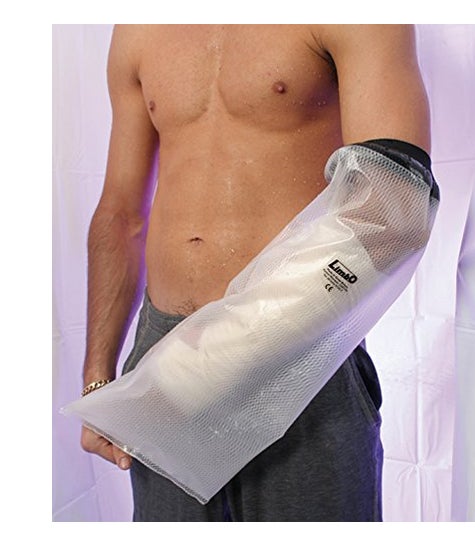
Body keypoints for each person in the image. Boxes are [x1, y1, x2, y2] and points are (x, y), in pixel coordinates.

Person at [80, 24, 431, 522]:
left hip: (300, 355)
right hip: (163, 360)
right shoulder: (139, 27)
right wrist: (97, 379)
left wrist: (226, 353)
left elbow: (394, 205)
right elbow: (120, 214)